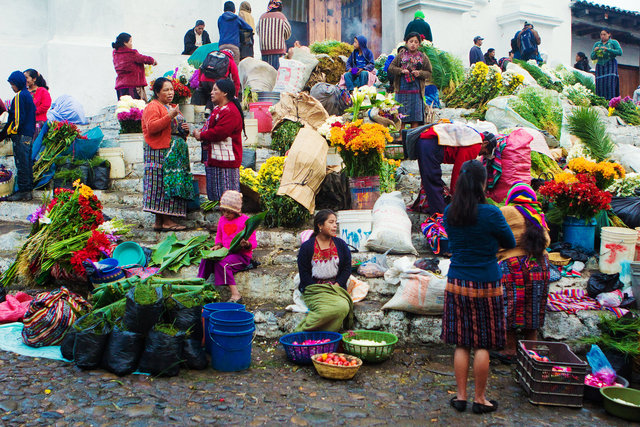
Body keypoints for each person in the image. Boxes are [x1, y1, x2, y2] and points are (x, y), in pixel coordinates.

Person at [441, 160, 516, 414]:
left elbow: (454, 242)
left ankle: (460, 397)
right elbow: (509, 240)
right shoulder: (492, 213)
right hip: (486, 281)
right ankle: (480, 399)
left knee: (461, 343)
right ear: (484, 183)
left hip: (457, 281)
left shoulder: (450, 212)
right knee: (482, 343)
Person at [494, 182, 550, 363]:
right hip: (539, 266)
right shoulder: (538, 215)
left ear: (512, 197)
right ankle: (531, 349)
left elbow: (496, 238)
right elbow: (547, 241)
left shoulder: (506, 211)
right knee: (534, 305)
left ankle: (510, 348)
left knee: (510, 304)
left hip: (512, 265)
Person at [141, 77, 191, 231]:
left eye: (171, 89)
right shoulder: (153, 107)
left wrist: (185, 130)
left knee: (164, 184)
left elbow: (174, 130)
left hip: (172, 152)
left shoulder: (170, 106)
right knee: (161, 185)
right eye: (166, 90)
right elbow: (152, 127)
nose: (170, 93)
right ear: (157, 92)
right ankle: (166, 221)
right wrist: (170, 116)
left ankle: (159, 221)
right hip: (159, 152)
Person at [295, 210, 354, 332]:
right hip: (314, 289)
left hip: (335, 287)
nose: (335, 226)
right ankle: (303, 332)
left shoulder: (341, 245)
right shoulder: (307, 247)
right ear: (320, 225)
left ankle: (326, 337)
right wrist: (317, 287)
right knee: (326, 310)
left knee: (343, 307)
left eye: (336, 223)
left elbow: (346, 268)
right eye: (331, 222)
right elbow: (304, 274)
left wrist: (337, 285)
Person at [197, 190, 257, 303]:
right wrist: (218, 246)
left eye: (229, 212)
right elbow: (219, 237)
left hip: (242, 256)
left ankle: (236, 294)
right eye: (223, 211)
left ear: (236, 210)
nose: (225, 214)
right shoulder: (222, 220)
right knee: (206, 259)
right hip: (226, 253)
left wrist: (246, 245)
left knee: (223, 264)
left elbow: (253, 243)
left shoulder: (245, 221)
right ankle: (198, 286)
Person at [193, 79, 244, 202]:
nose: (211, 92)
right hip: (215, 159)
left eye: (215, 90)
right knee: (216, 197)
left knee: (228, 199)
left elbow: (220, 132)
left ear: (225, 93)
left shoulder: (230, 111)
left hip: (226, 161)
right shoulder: (218, 109)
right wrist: (199, 132)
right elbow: (209, 127)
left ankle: (229, 221)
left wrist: (202, 135)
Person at [0, 71, 36, 201]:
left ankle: (24, 191)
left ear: (17, 83)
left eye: (12, 84)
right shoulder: (27, 95)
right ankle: (27, 190)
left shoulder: (20, 96)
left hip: (21, 135)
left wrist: (10, 132)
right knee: (26, 163)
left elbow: (18, 118)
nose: (11, 87)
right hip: (28, 135)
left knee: (21, 163)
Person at [388, 32, 432, 128]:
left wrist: (419, 73)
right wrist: (401, 71)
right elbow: (391, 68)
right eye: (411, 41)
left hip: (416, 89)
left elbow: (429, 72)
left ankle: (413, 136)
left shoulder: (423, 57)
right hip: (402, 89)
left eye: (416, 42)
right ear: (406, 42)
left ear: (419, 44)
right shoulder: (400, 56)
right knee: (401, 114)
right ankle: (401, 135)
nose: (413, 44)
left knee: (415, 116)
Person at [112, 33, 156, 100]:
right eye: (130, 41)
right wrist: (153, 61)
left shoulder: (116, 54)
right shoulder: (131, 53)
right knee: (136, 107)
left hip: (120, 87)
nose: (131, 44)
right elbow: (143, 58)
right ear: (125, 43)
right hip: (132, 86)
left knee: (124, 106)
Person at [256, 0, 292, 70]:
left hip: (264, 50)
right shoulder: (281, 16)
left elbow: (258, 31)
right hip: (277, 51)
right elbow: (288, 32)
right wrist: (281, 37)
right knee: (275, 72)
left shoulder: (262, 17)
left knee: (266, 72)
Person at [591, 29, 623, 100]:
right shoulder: (597, 44)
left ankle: (611, 100)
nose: (602, 36)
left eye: (604, 34)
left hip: (610, 64)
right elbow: (592, 57)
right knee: (600, 83)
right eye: (601, 34)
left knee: (609, 83)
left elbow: (620, 52)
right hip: (600, 65)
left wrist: (608, 50)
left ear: (609, 34)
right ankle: (600, 100)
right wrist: (595, 51)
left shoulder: (613, 42)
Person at [23, 69, 51, 137]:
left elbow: (45, 105)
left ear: (34, 79)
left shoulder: (42, 91)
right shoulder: (24, 92)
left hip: (38, 122)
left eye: (26, 78)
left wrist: (32, 112)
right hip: (26, 123)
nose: (25, 80)